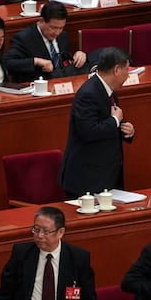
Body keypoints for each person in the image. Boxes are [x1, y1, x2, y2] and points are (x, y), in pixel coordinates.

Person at [0, 206, 100, 300]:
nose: (39, 236)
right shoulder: (21, 254)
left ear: (60, 232)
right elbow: (4, 296)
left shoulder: (78, 258)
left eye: (46, 231)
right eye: (36, 230)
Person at [58, 47, 135, 197]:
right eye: (127, 70)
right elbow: (89, 131)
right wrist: (114, 121)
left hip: (105, 174)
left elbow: (111, 120)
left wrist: (127, 130)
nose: (128, 75)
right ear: (117, 70)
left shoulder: (107, 89)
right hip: (87, 179)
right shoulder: (89, 94)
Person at [5, 1, 88, 82]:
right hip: (38, 86)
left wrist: (78, 56)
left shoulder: (63, 36)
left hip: (62, 83)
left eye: (61, 28)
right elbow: (9, 63)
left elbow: (64, 61)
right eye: (53, 28)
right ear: (41, 21)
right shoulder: (24, 38)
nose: (57, 32)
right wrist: (35, 61)